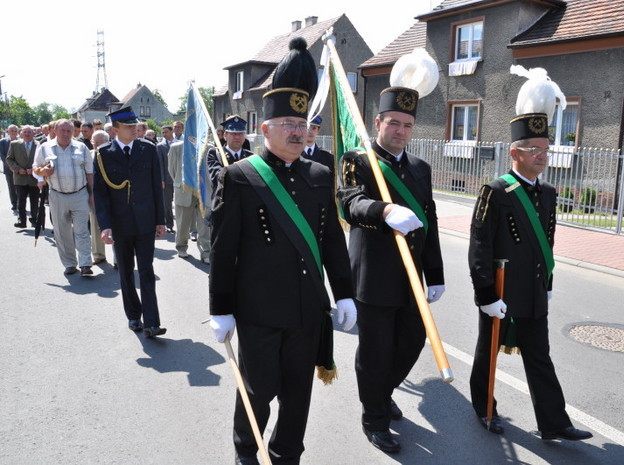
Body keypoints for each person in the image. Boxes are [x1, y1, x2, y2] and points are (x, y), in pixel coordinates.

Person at [208, 38, 356, 465]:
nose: (297, 131)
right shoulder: (240, 177)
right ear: (266, 129)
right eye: (287, 122)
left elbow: (331, 240)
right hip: (258, 311)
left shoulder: (320, 174)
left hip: (307, 311)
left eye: (302, 122)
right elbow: (223, 249)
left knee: (298, 394)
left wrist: (344, 293)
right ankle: (246, 451)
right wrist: (221, 308)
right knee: (257, 391)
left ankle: (287, 455)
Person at [468, 66, 593, 442]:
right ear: (514, 152)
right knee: (488, 352)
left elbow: (546, 242)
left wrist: (547, 283)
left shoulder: (549, 193)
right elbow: (480, 246)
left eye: (545, 149)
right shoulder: (495, 191)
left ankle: (554, 422)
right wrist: (486, 294)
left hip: (534, 290)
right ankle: (485, 408)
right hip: (501, 290)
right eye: (534, 150)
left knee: (540, 354)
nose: (542, 156)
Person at [337, 84, 445, 453]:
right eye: (394, 123)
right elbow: (350, 203)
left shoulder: (420, 168)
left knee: (412, 341)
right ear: (378, 122)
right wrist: (383, 210)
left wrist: (436, 274)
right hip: (373, 274)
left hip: (411, 275)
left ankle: (382, 392)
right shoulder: (357, 160)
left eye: (407, 125)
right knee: (376, 351)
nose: (400, 131)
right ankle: (374, 418)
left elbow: (429, 222)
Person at [93, 106, 167, 337]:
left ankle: (152, 322)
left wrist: (160, 220)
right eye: (128, 126)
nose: (134, 129)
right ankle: (134, 315)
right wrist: (105, 225)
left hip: (145, 221)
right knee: (125, 272)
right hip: (120, 224)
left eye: (135, 125)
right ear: (115, 129)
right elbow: (101, 194)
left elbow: (156, 188)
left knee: (146, 270)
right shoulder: (103, 154)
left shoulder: (148, 149)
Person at [33, 119, 94, 277]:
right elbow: (35, 169)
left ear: (73, 131)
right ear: (55, 131)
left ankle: (85, 264)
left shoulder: (81, 147)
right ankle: (70, 264)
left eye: (69, 131)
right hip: (57, 195)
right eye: (63, 130)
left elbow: (89, 172)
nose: (66, 134)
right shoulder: (45, 147)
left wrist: (92, 194)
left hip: (80, 194)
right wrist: (42, 172)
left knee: (82, 231)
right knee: (62, 232)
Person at [167, 140, 210, 263]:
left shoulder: (209, 147)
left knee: (205, 225)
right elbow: (172, 169)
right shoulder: (176, 147)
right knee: (183, 223)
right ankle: (181, 247)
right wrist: (180, 183)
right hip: (184, 190)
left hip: (203, 191)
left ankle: (206, 251)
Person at [206, 114, 253, 193]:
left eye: (240, 134)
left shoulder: (251, 157)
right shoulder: (215, 154)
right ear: (225, 135)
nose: (237, 137)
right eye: (233, 134)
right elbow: (218, 178)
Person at [6, 126, 40, 228]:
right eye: (25, 132)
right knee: (21, 201)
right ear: (21, 133)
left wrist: (34, 169)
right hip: (20, 177)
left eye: (29, 132)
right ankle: (22, 221)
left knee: (34, 201)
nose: (27, 134)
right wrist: (17, 169)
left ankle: (34, 219)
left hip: (34, 178)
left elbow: (42, 160)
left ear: (33, 133)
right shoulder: (14, 144)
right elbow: (9, 159)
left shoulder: (38, 145)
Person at [89, 130, 110, 264]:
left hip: (112, 195)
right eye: (94, 142)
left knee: (116, 226)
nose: (96, 145)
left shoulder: (113, 154)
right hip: (94, 195)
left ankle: (118, 258)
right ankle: (98, 254)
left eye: (99, 142)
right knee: (95, 224)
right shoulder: (89, 155)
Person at [156, 124, 175, 232]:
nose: (164, 134)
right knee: (167, 203)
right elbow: (160, 164)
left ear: (172, 131)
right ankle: (169, 224)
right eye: (162, 132)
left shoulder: (180, 143)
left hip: (179, 178)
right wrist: (162, 179)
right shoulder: (160, 146)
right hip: (167, 180)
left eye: (166, 132)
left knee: (182, 203)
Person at [1, 124, 19, 214]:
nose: (14, 132)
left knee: (20, 187)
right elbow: (3, 156)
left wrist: (17, 167)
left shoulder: (20, 141)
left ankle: (20, 203)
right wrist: (11, 167)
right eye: (12, 131)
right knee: (11, 187)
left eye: (15, 131)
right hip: (8, 169)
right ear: (8, 132)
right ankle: (14, 204)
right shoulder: (2, 142)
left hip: (19, 169)